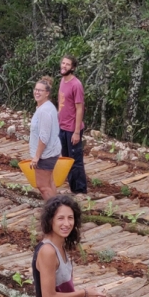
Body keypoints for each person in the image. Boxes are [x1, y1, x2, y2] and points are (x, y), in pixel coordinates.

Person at [58, 55, 87, 194]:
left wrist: (76, 132)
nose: (64, 66)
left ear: (73, 67)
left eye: (67, 64)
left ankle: (80, 191)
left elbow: (80, 108)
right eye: (63, 63)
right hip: (62, 127)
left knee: (75, 161)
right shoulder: (62, 81)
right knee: (65, 159)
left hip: (72, 128)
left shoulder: (76, 84)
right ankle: (72, 188)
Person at [30, 76, 61, 201]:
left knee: (43, 186)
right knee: (49, 182)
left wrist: (37, 157)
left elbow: (44, 137)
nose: (37, 92)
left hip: (45, 155)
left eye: (40, 90)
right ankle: (55, 208)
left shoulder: (44, 111)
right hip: (51, 151)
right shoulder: (46, 107)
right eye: (36, 89)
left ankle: (53, 212)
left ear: (47, 93)